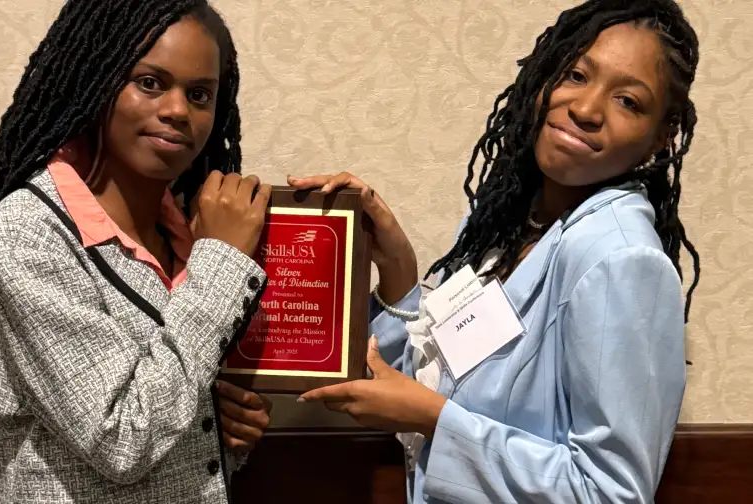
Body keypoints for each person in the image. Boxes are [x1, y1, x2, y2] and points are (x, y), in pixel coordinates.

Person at [292, 0, 701, 502]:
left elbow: (611, 492)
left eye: (628, 101)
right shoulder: (512, 227)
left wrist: (431, 417)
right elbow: (436, 385)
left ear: (662, 137)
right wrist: (398, 268)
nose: (586, 109)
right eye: (575, 74)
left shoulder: (621, 261)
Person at [0, 1, 274, 502]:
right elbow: (121, 438)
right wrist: (222, 261)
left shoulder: (189, 233)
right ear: (95, 82)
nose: (177, 110)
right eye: (149, 82)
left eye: (200, 94)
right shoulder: (31, 230)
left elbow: (165, 397)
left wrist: (220, 432)